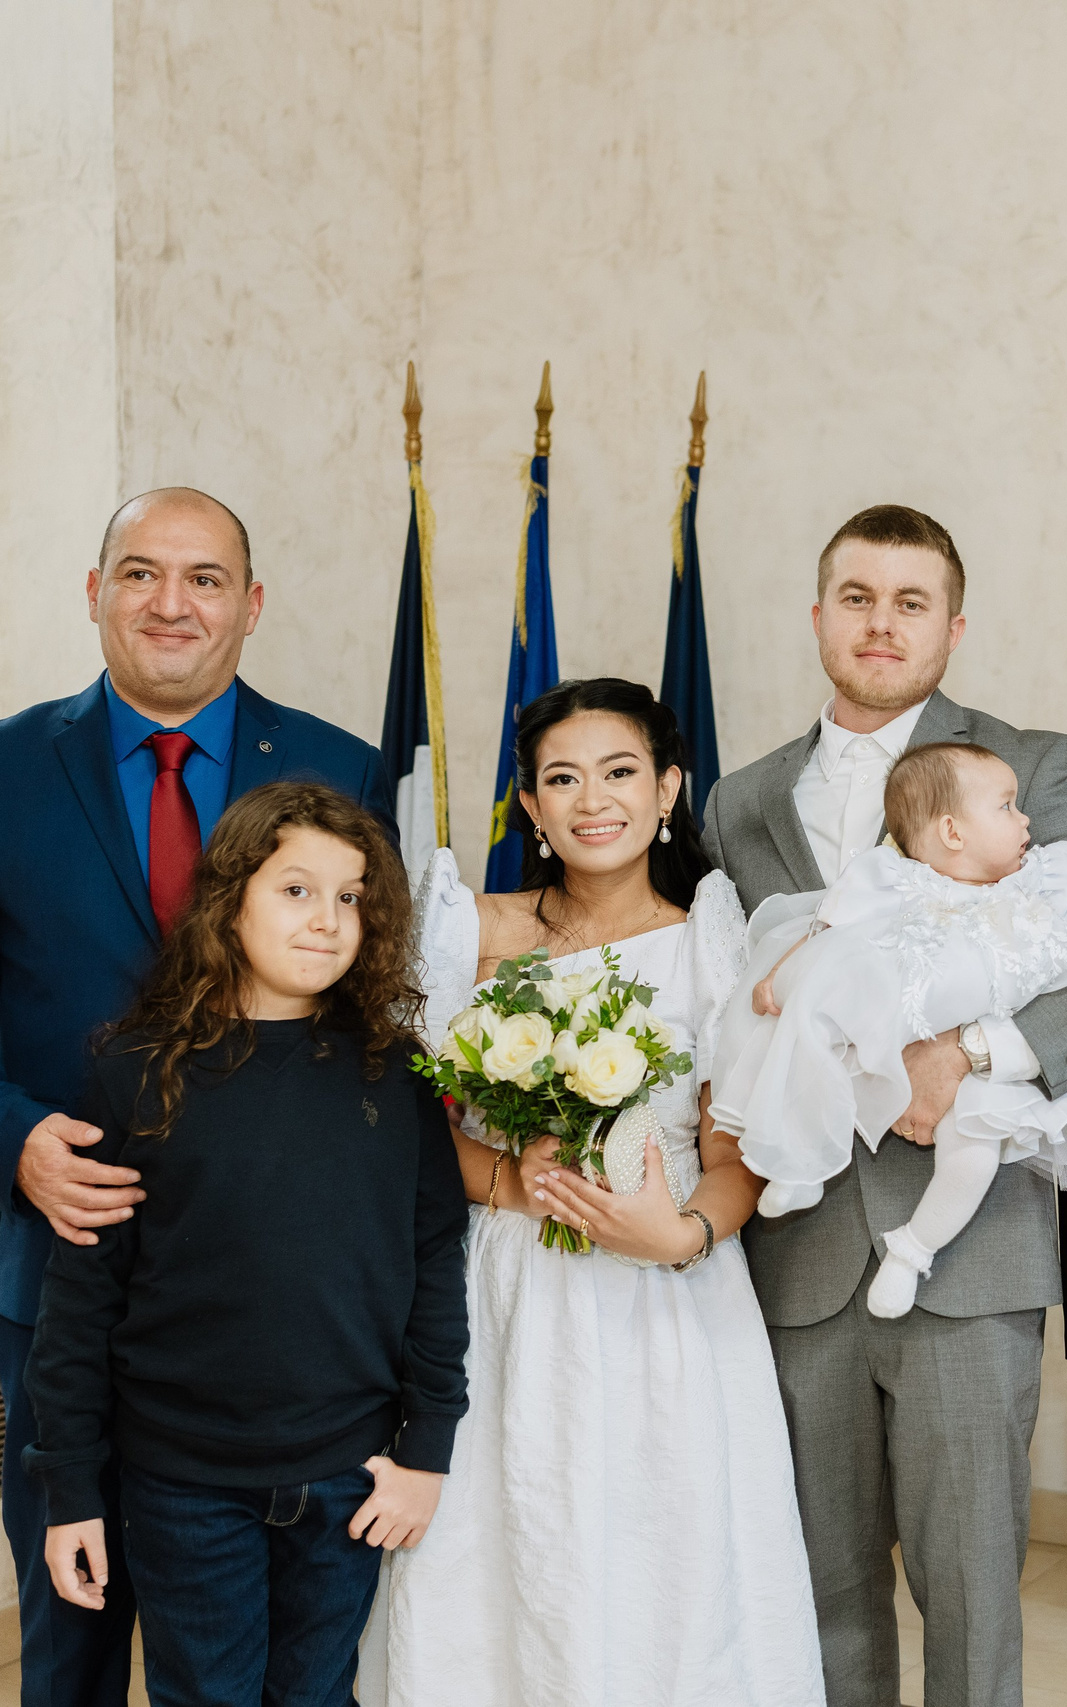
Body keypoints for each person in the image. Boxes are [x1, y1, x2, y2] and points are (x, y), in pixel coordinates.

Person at [0, 489, 398, 1704]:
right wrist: (13, 1142)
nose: (173, 602)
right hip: (71, 1246)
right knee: (74, 1600)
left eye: (206, 578)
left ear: (251, 606)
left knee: (274, 1630)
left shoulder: (341, 767)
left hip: (283, 1286)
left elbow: (384, 998)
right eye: (141, 573)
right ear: (96, 590)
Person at [698, 504, 1067, 1707]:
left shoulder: (1029, 764)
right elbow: (735, 1006)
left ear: (952, 627)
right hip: (797, 1252)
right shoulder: (738, 801)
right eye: (856, 597)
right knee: (820, 1593)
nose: (881, 622)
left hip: (970, 1251)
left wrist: (970, 1055)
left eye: (910, 602)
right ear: (818, 617)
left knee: (972, 1595)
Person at [362, 677, 823, 1707]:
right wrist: (511, 1186)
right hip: (511, 1289)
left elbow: (737, 1145)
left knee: (667, 1550)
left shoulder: (713, 933)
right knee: (513, 1530)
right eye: (561, 779)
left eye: (618, 773)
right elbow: (403, 1134)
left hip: (668, 1298)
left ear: (667, 789)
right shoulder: (469, 930)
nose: (591, 799)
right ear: (528, 805)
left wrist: (686, 1234)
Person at [23, 782, 467, 1706]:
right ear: (230, 903)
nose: (328, 920)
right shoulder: (136, 1074)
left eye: (351, 897)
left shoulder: (399, 1080)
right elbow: (81, 1303)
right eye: (297, 890)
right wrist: (71, 1487)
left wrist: (426, 1451)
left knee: (316, 1695)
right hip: (182, 1483)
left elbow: (434, 1272)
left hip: (350, 1473)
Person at [713, 741, 1067, 1318]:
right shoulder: (894, 879)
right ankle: (796, 1160)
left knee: (976, 1147)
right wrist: (781, 978)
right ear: (953, 833)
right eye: (1008, 807)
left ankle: (912, 1252)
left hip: (982, 1052)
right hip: (891, 1017)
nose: (1025, 818)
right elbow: (826, 929)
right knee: (806, 1021)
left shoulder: (1036, 881)